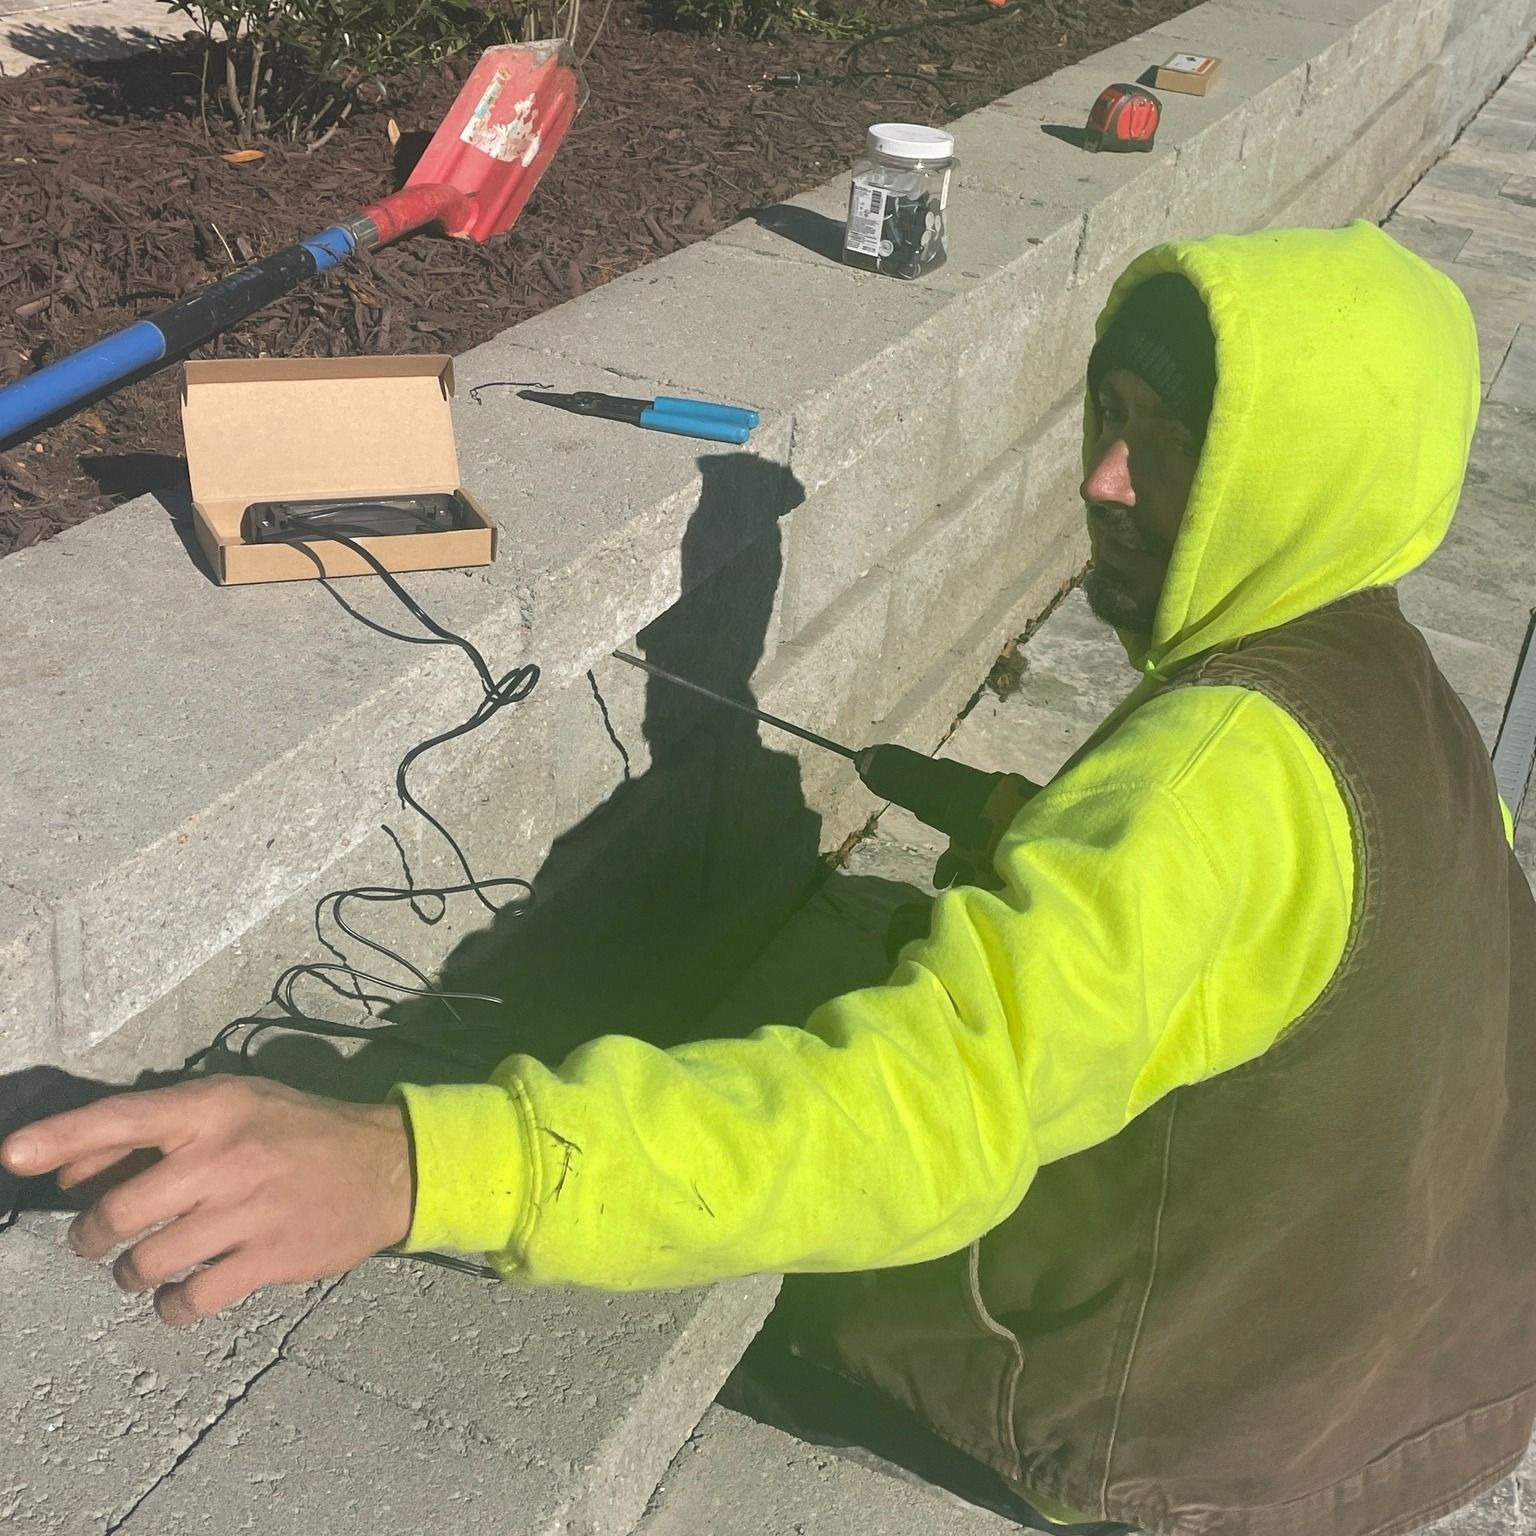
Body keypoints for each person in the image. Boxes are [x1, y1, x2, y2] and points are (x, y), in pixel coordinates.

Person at [4, 220, 1533, 1536]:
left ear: (1297, 469)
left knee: (797, 1245)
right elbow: (1293, 946)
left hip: (1179, 1448)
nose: (1109, 478)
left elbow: (919, 1122)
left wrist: (412, 1167)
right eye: (1106, 417)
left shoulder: (1203, 787)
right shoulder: (1395, 697)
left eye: (1167, 437)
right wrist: (1025, 820)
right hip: (1413, 1393)